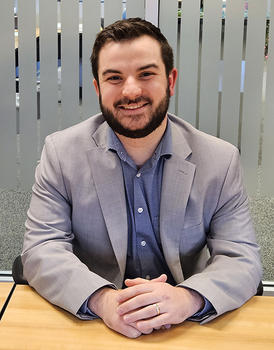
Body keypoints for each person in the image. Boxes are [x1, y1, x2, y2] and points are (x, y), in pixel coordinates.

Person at [22, 18, 262, 338]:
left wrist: (186, 298)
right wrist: (105, 302)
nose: (131, 90)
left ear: (171, 80)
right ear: (97, 88)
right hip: (95, 326)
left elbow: (241, 259)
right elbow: (41, 249)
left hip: (185, 327)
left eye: (146, 74)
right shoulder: (61, 153)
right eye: (114, 78)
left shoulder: (219, 160)